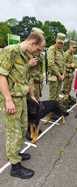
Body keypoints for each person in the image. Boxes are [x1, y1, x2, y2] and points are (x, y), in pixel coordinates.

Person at [0, 32, 45, 179]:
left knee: (21, 128)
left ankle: (16, 153)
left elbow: (23, 76)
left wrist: (31, 95)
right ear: (32, 43)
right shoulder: (10, 51)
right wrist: (8, 100)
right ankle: (15, 167)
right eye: (39, 49)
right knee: (13, 132)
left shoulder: (26, 56)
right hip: (12, 99)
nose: (39, 52)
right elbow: (2, 76)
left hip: (22, 98)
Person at [47, 33, 66, 101]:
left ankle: (55, 111)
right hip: (54, 76)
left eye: (62, 43)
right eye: (59, 43)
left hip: (60, 77)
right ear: (56, 40)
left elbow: (64, 64)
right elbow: (51, 64)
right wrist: (59, 75)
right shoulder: (52, 49)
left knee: (57, 97)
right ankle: (50, 111)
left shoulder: (62, 52)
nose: (60, 44)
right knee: (52, 97)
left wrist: (63, 74)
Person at [62, 40, 77, 107]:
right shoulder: (66, 54)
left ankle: (66, 101)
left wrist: (74, 65)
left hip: (71, 74)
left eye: (75, 48)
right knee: (65, 89)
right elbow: (62, 64)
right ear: (70, 46)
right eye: (73, 47)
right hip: (66, 74)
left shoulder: (72, 54)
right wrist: (69, 65)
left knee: (69, 89)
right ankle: (64, 103)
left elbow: (76, 63)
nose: (74, 49)